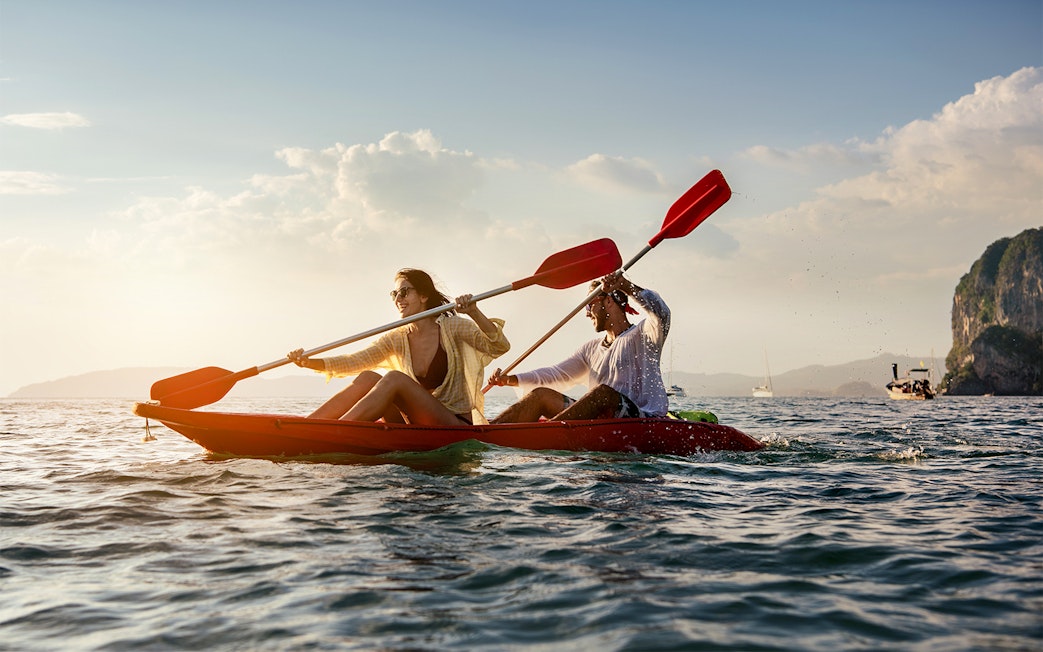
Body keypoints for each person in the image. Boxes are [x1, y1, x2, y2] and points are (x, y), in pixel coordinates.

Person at [288, 268, 510, 425]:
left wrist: (473, 312)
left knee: (394, 378)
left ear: (423, 295)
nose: (398, 299)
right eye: (395, 294)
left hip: (453, 422)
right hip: (416, 422)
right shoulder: (397, 338)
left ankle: (334, 433)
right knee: (368, 377)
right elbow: (354, 361)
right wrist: (308, 362)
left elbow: (498, 346)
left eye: (404, 292)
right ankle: (309, 426)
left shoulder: (453, 327)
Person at [488, 270, 669, 422]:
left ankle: (550, 433)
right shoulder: (590, 348)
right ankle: (487, 432)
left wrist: (624, 285)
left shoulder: (645, 334)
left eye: (590, 306)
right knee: (539, 395)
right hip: (602, 419)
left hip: (642, 418)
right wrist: (510, 379)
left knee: (603, 393)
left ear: (608, 301)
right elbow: (556, 375)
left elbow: (662, 312)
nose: (587, 314)